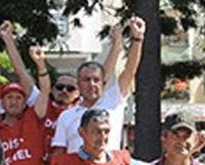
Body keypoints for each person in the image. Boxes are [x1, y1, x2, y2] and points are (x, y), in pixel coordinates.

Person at [50, 18, 142, 157]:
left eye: (96, 80)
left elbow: (130, 69)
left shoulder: (114, 101)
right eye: (86, 80)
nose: (91, 84)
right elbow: (58, 155)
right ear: (78, 84)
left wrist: (137, 39)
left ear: (103, 83)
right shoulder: (66, 116)